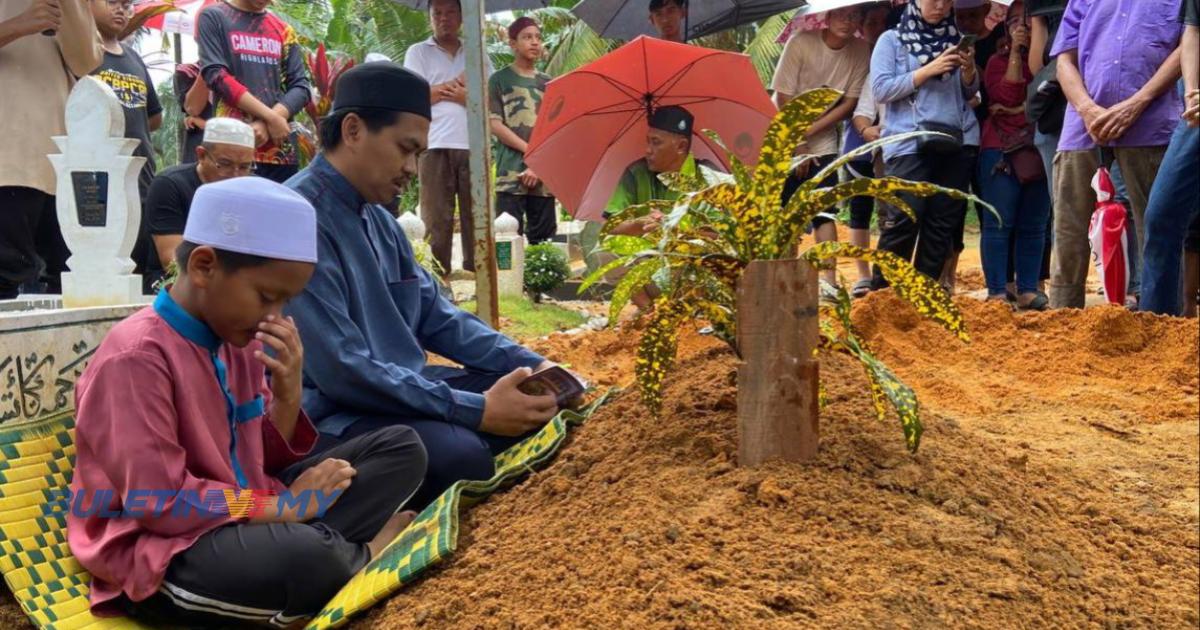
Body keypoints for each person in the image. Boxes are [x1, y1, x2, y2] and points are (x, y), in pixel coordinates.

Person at [67, 176, 428, 627]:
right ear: (203, 266)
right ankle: (358, 556)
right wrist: (284, 509)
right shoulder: (137, 358)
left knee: (399, 449)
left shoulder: (235, 338)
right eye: (266, 297)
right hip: (166, 551)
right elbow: (158, 502)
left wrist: (289, 391)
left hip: (250, 511)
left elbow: (263, 461)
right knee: (304, 554)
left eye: (285, 302)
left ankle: (329, 554)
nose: (275, 317)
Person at [286, 63, 565, 511]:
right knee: (463, 455)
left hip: (402, 388)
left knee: (535, 395)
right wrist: (476, 410)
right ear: (354, 130)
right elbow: (342, 370)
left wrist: (538, 365)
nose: (413, 168)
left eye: (419, 154)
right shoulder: (296, 219)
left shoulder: (379, 220)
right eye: (406, 149)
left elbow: (440, 318)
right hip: (340, 412)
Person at [1048, 0, 1183, 309]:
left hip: (1151, 122)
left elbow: (1187, 48)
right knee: (1069, 228)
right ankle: (1063, 319)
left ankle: (1161, 320)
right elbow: (1063, 62)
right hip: (1082, 124)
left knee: (1156, 226)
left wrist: (1138, 102)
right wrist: (1086, 108)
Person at [869, 0, 980, 289]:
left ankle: (922, 295)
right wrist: (928, 69)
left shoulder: (955, 39)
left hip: (958, 139)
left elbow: (969, 93)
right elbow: (881, 89)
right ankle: (880, 296)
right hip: (908, 140)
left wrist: (968, 71)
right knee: (906, 216)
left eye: (947, 1)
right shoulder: (891, 40)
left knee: (941, 224)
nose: (941, 6)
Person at [0, 0, 102, 299]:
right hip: (9, 160)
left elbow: (88, 62)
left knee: (69, 276)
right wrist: (17, 26)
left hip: (61, 162)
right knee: (6, 275)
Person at [771, 5, 872, 286]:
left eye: (854, 16)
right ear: (826, 16)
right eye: (841, 14)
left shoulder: (860, 50)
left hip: (824, 135)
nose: (847, 20)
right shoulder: (801, 41)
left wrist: (811, 135)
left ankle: (829, 282)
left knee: (824, 208)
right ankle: (784, 278)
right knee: (787, 210)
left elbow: (849, 103)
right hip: (784, 129)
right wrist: (798, 142)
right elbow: (782, 96)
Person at [405, 0, 493, 277]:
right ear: (430, 18)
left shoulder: (477, 53)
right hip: (435, 144)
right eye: (437, 13)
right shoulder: (418, 52)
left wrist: (465, 97)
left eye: (451, 12)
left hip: (473, 144)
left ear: (462, 16)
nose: (444, 18)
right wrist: (452, 87)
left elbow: (489, 99)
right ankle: (437, 278)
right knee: (436, 217)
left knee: (476, 214)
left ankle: (477, 273)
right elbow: (414, 95)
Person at [977, 17, 1052, 309]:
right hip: (1001, 149)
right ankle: (996, 290)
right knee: (998, 222)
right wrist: (1016, 54)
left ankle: (1028, 288)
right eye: (1017, 23)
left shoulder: (1051, 60)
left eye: (1031, 22)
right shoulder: (997, 61)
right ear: (1006, 28)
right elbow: (1003, 94)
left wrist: (1018, 107)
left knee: (1034, 223)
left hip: (1037, 145)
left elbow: (1045, 96)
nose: (1024, 28)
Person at [89, 0, 162, 294]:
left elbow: (154, 116)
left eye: (127, 5)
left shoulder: (133, 58)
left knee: (137, 266)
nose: (121, 10)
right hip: (97, 180)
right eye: (112, 2)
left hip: (140, 178)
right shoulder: (81, 55)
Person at [197, 0, 311, 183]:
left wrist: (270, 121)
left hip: (279, 151)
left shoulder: (283, 30)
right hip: (230, 153)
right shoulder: (214, 17)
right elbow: (216, 75)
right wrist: (271, 118)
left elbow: (301, 86)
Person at [1138, 0, 1199, 317]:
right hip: (1196, 117)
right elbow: (1193, 30)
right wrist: (1191, 91)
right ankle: (1158, 330)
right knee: (1162, 214)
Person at [144, 118, 256, 287]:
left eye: (244, 167)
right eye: (225, 164)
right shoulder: (170, 185)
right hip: (178, 282)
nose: (235, 175)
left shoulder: (254, 190)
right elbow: (172, 261)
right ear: (201, 155)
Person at [842, 1, 894, 297]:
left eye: (884, 22)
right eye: (872, 23)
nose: (879, 28)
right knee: (860, 208)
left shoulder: (900, 49)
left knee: (891, 211)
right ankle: (863, 275)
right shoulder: (856, 53)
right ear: (861, 25)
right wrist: (864, 127)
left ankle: (886, 274)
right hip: (859, 141)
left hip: (892, 144)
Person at [489, 17, 556, 244]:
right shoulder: (499, 80)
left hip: (543, 176)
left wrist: (538, 163)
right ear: (512, 44)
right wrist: (531, 153)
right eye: (527, 37)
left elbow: (556, 129)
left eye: (538, 37)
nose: (535, 43)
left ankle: (543, 280)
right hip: (511, 175)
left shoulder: (549, 83)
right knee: (506, 240)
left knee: (545, 240)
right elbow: (494, 124)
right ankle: (508, 281)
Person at [174, 62, 214, 165]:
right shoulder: (187, 71)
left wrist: (204, 124)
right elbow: (193, 108)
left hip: (235, 154)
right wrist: (208, 65)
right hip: (197, 155)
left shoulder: (242, 71)